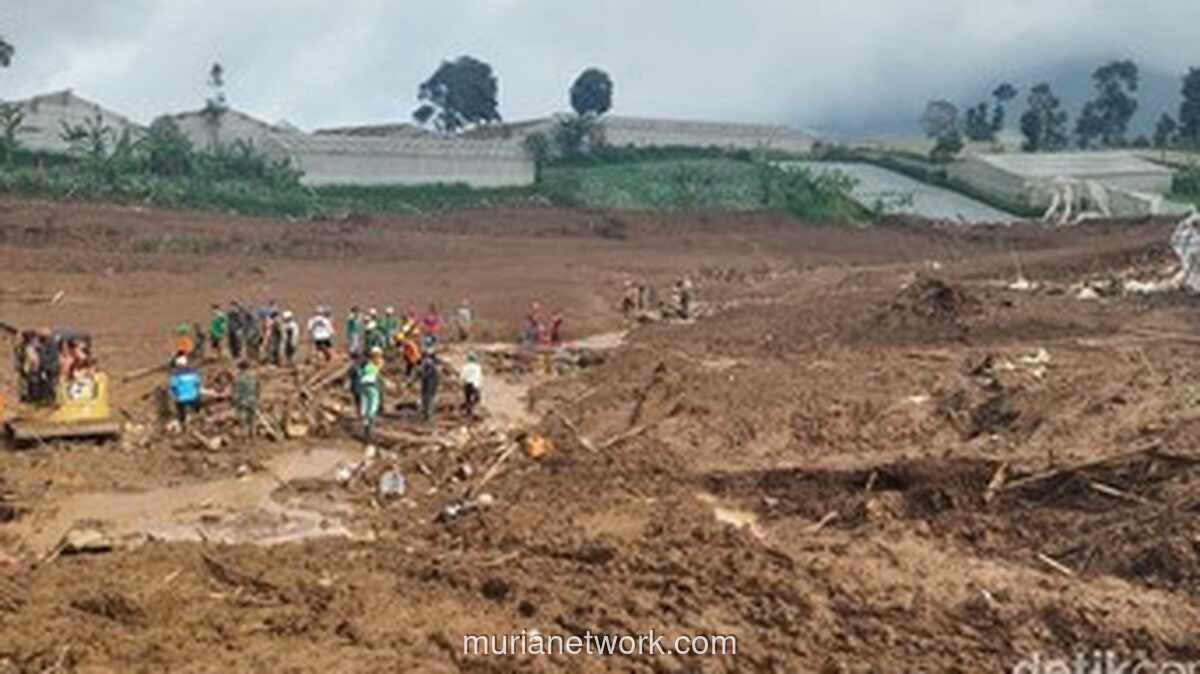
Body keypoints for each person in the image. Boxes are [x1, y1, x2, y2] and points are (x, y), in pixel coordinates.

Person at [168, 355, 202, 431]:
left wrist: (175, 395)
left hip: (181, 399)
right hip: (193, 397)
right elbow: (198, 383)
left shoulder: (176, 374)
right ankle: (197, 414)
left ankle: (183, 422)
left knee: (180, 409)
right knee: (196, 405)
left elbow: (173, 386)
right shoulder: (193, 372)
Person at [359, 347, 385, 441]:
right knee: (372, 407)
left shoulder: (366, 365)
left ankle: (366, 429)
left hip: (363, 385)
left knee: (365, 406)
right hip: (372, 385)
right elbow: (378, 375)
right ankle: (370, 432)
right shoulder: (374, 365)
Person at [233, 360, 259, 438]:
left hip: (242, 400)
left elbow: (235, 390)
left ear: (240, 368)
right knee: (252, 417)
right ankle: (253, 435)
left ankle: (244, 436)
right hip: (252, 399)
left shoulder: (238, 377)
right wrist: (257, 397)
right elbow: (258, 387)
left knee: (242, 418)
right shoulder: (253, 376)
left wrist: (235, 400)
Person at [418, 348, 440, 422]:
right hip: (432, 382)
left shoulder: (425, 363)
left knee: (427, 398)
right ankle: (428, 414)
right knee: (430, 398)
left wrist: (410, 382)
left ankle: (427, 414)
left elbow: (421, 373)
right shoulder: (432, 363)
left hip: (428, 382)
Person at [461, 351, 483, 419]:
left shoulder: (465, 367)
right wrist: (480, 385)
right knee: (477, 398)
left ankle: (468, 411)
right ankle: (472, 410)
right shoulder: (477, 367)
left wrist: (462, 384)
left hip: (467, 384)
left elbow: (463, 376)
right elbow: (479, 376)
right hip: (475, 384)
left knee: (467, 399)